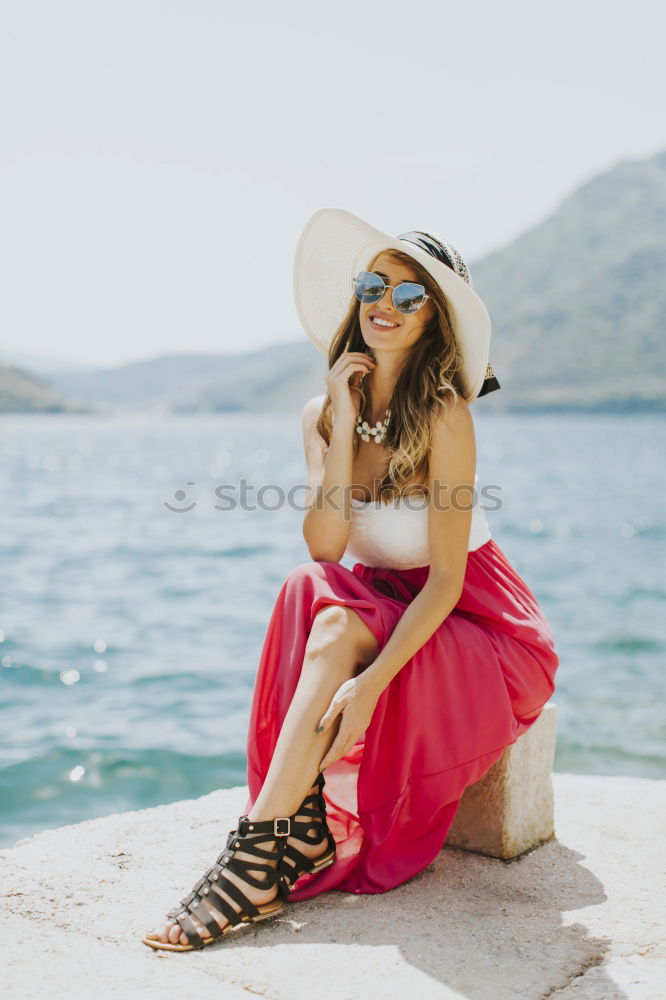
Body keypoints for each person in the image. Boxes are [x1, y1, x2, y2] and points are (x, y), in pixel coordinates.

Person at [142, 208, 559, 951]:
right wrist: (339, 411)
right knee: (313, 593)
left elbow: (447, 582)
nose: (384, 305)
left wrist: (368, 689)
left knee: (332, 614)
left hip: (474, 619)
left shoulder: (445, 415)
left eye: (408, 295)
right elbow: (327, 546)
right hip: (380, 601)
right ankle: (274, 840)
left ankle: (257, 854)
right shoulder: (323, 412)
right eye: (374, 286)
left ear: (435, 320)